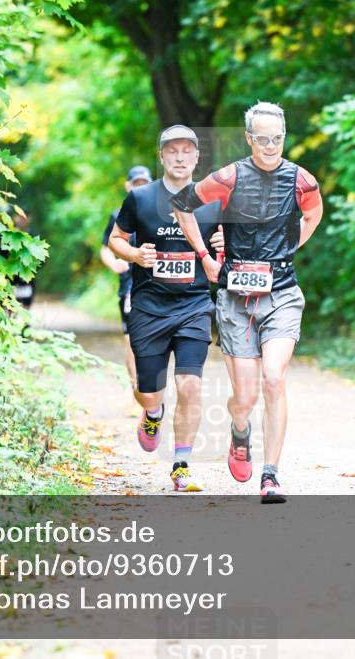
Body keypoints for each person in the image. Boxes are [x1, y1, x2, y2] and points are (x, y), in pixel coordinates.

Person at [172, 102, 323, 503]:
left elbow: (313, 214)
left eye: (277, 138)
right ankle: (241, 431)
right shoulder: (229, 176)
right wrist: (205, 256)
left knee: (274, 378)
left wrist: (292, 248)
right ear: (249, 138)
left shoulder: (301, 180)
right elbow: (183, 205)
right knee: (246, 397)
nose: (270, 145)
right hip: (236, 299)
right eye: (262, 138)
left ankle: (270, 475)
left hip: (283, 294)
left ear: (284, 137)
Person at [108, 125, 223, 492]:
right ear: (161, 156)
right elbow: (115, 240)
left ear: (196, 157)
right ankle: (153, 413)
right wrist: (134, 254)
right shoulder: (140, 199)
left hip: (193, 304)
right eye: (171, 150)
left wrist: (223, 243)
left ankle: (181, 464)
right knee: (149, 391)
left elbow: (227, 249)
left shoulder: (214, 201)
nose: (178, 156)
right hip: (149, 307)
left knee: (189, 384)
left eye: (186, 150)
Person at [102, 166, 152, 389]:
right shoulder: (118, 215)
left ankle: (152, 392)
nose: (140, 188)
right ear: (128, 186)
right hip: (130, 287)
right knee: (132, 341)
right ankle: (138, 393)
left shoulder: (160, 213)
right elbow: (105, 247)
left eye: (145, 184)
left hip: (156, 286)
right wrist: (115, 263)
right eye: (136, 184)